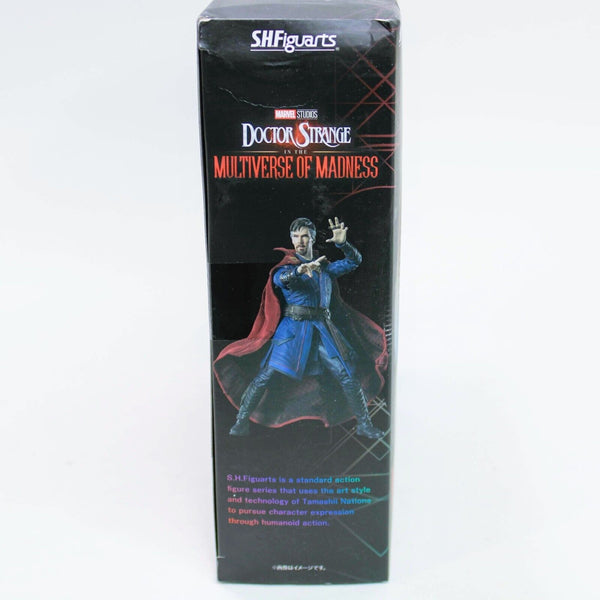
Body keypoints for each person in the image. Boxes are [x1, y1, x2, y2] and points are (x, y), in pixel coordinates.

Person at [213, 217, 388, 438]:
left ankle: (364, 424)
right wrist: (299, 271)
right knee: (265, 376)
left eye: (304, 236)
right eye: (295, 237)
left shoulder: (325, 269)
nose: (300, 241)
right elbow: (280, 279)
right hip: (292, 332)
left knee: (346, 375)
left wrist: (343, 244)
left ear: (312, 239)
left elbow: (354, 261)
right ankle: (241, 421)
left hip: (322, 330)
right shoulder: (287, 267)